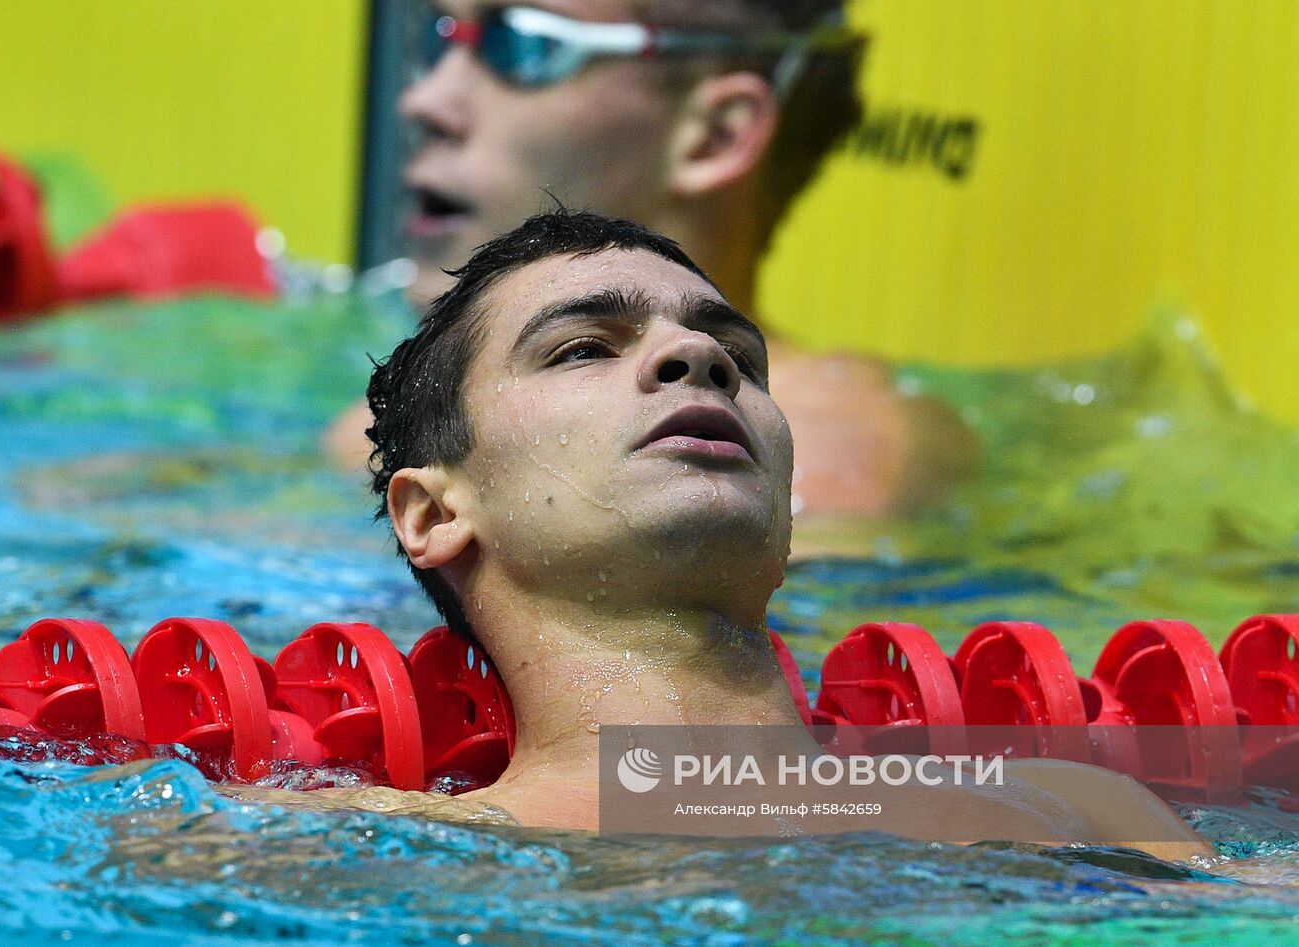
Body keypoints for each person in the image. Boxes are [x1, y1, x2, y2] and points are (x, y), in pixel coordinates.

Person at [311, 208, 1204, 860]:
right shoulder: (346, 858)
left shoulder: (1082, 811)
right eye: (583, 347)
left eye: (735, 354)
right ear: (433, 514)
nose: (698, 359)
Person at [324, 0, 979, 521]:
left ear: (714, 135)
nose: (425, 102)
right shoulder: (382, 428)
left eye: (522, 43)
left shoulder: (810, 465)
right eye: (442, 38)